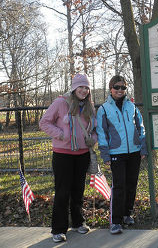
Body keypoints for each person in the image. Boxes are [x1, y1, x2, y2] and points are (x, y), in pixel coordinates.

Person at [39, 73, 97, 243]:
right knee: (62, 192)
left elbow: (95, 129)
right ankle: (58, 228)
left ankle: (78, 222)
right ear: (74, 88)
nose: (84, 90)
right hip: (63, 155)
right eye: (81, 87)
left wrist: (92, 140)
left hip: (82, 154)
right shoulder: (60, 103)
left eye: (87, 87)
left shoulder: (89, 106)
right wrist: (61, 134)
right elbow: (44, 122)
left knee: (78, 190)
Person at [96, 75, 148, 235]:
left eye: (123, 87)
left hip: (134, 152)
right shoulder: (104, 109)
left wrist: (143, 147)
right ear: (111, 89)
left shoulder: (132, 107)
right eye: (116, 87)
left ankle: (127, 214)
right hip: (116, 153)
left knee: (132, 184)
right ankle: (116, 221)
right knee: (119, 186)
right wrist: (105, 155)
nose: (120, 90)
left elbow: (141, 127)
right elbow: (102, 133)